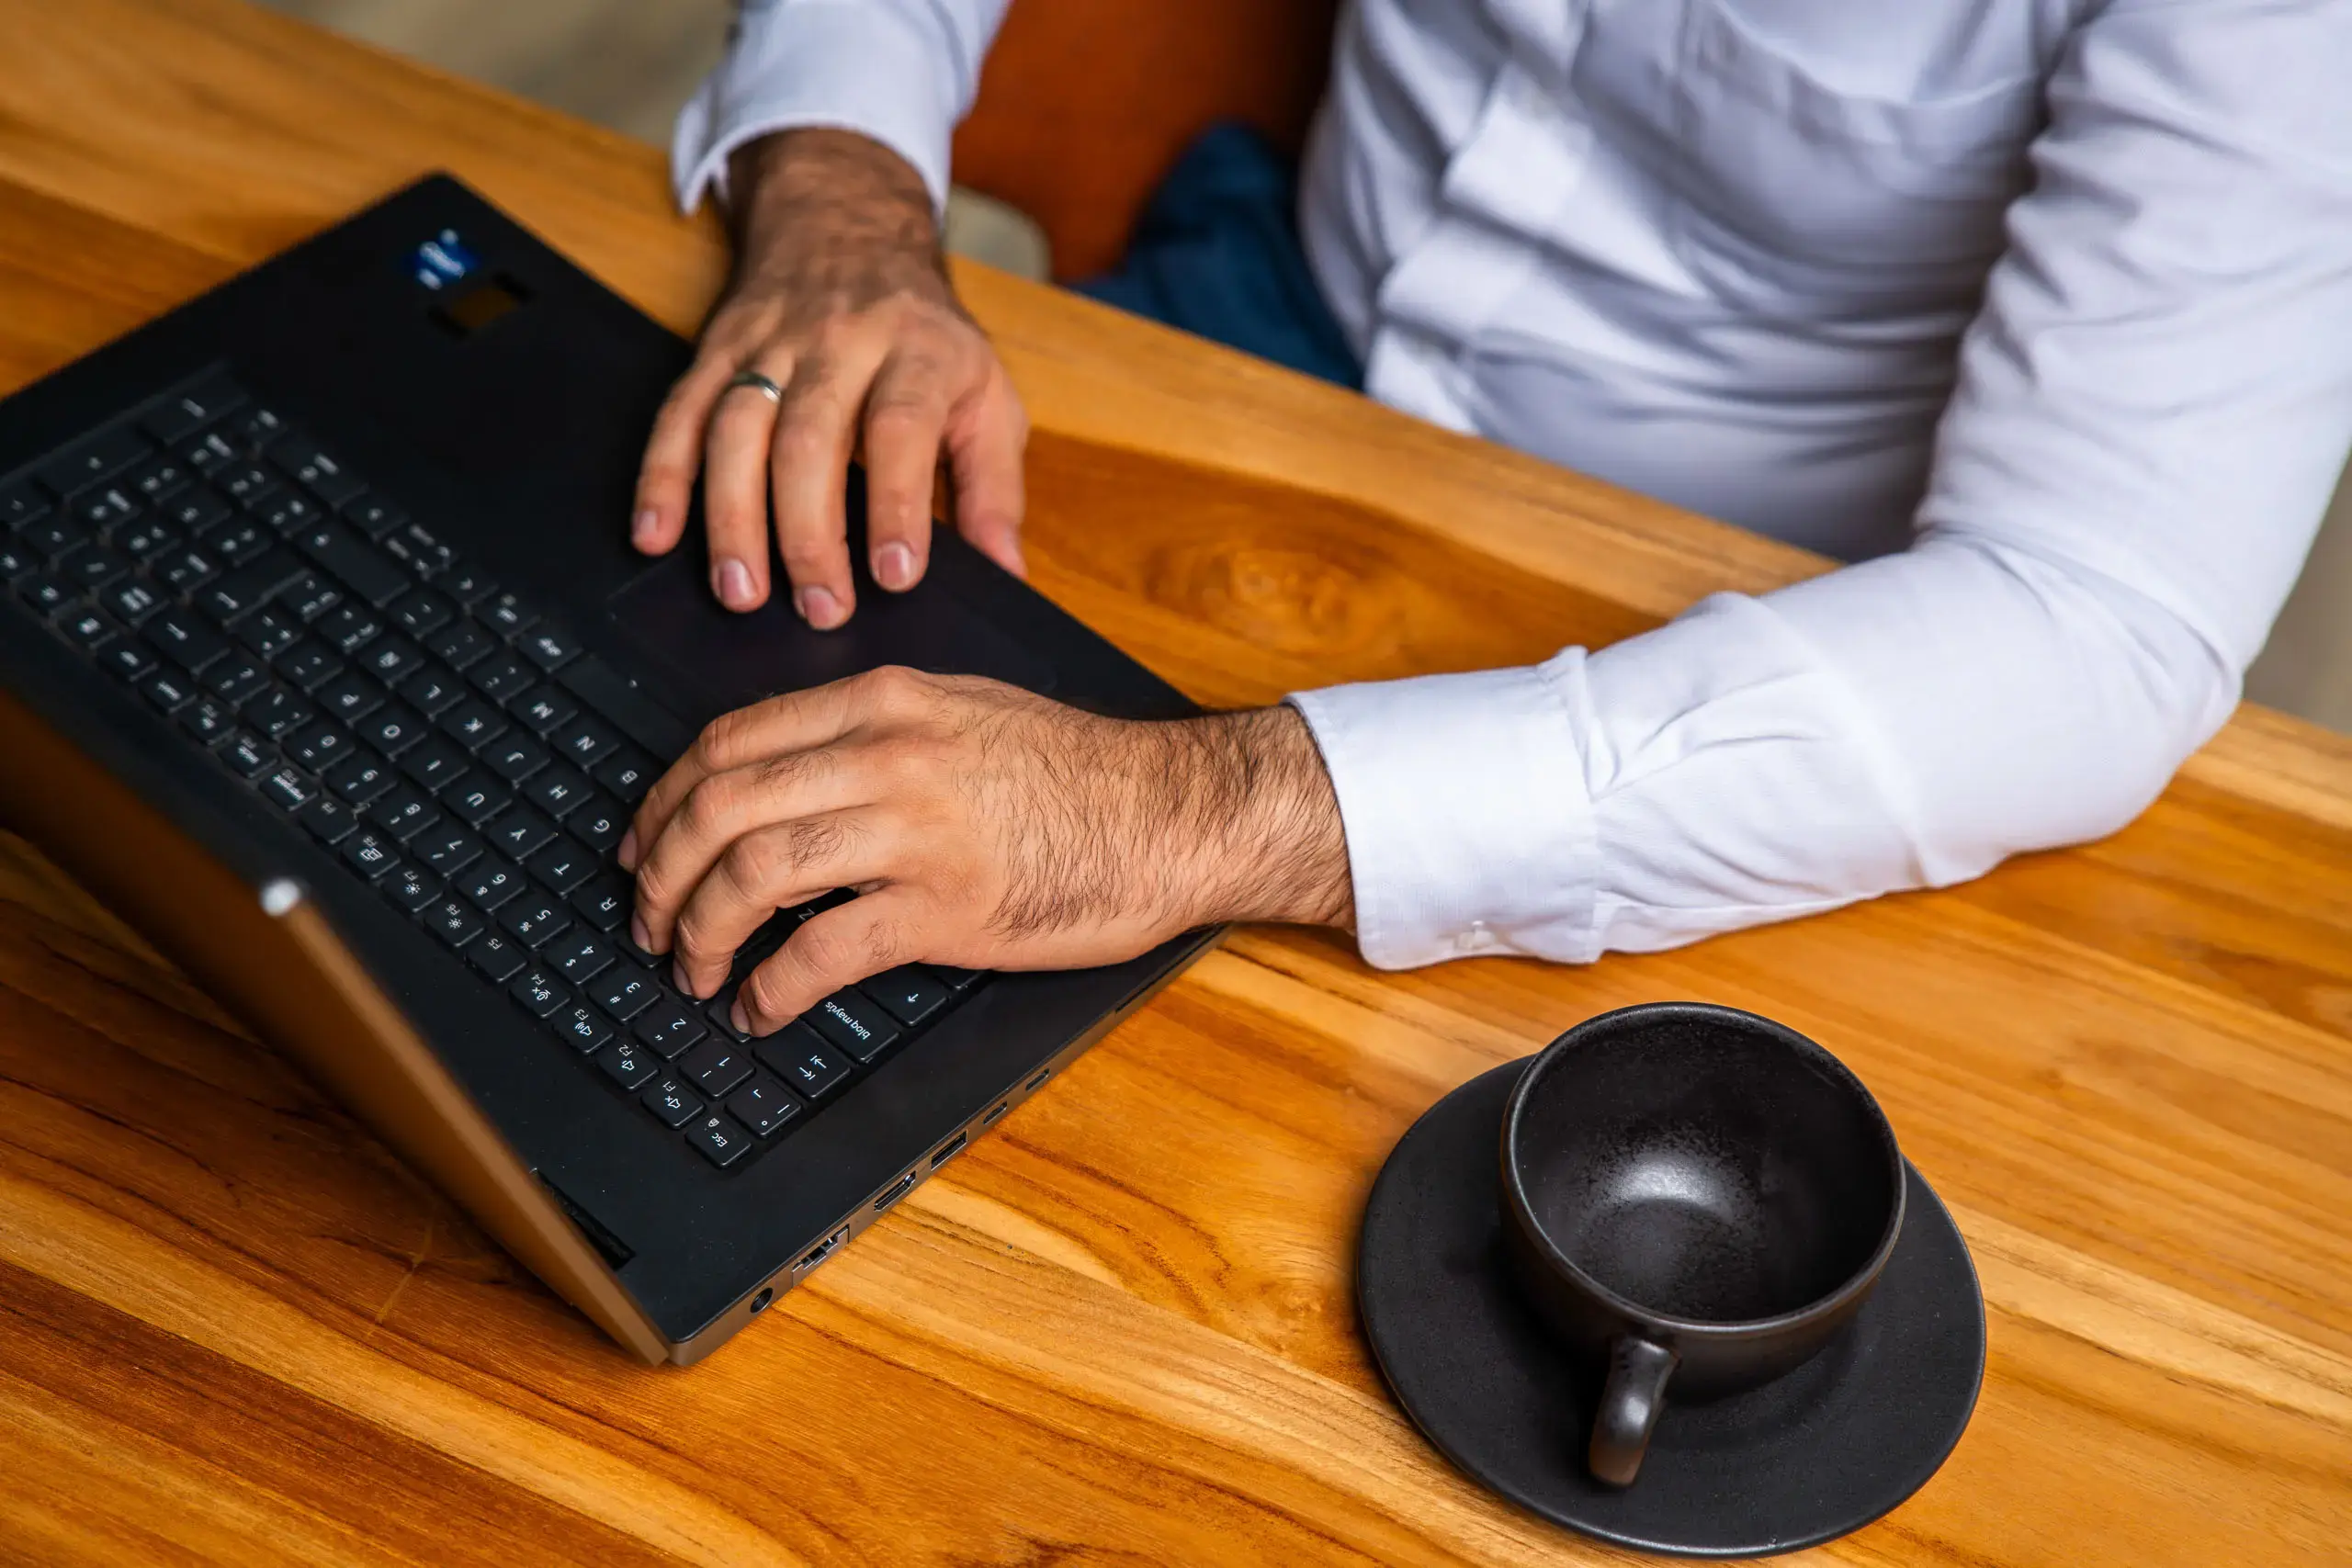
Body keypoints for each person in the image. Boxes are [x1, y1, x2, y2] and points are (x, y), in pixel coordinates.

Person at [618, 0, 2352, 1040]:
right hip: (1277, 304)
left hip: (1734, 625)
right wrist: (839, 181)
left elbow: (2102, 613)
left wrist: (1197, 806)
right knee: (642, 719)